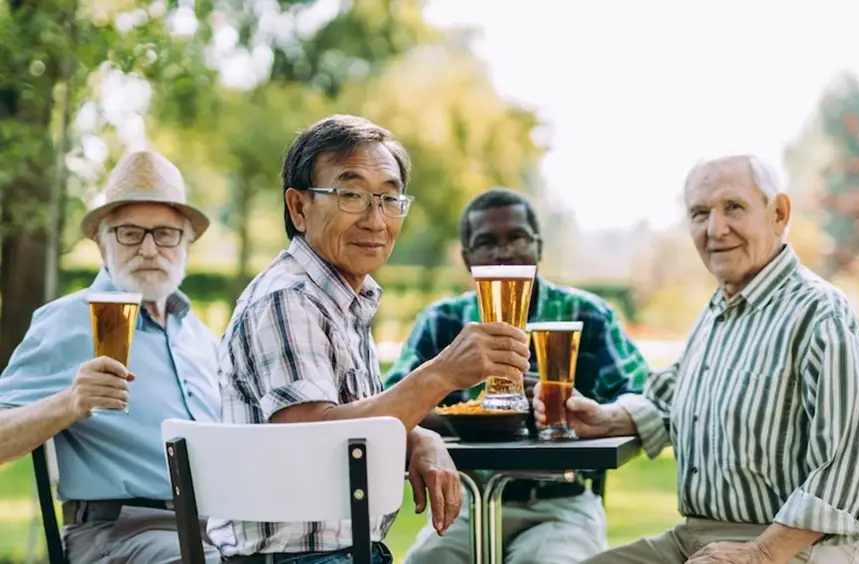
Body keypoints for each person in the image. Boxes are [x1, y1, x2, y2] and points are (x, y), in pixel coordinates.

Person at [533, 155, 859, 564]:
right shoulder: (719, 310)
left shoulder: (821, 314)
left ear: (779, 213)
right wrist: (608, 418)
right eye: (700, 214)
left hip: (799, 549)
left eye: (733, 207)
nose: (716, 229)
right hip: (699, 538)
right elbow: (670, 398)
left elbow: (852, 463)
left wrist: (761, 552)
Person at [211, 115, 531, 564]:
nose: (376, 219)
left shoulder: (342, 299)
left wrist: (417, 435)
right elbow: (309, 440)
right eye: (352, 195)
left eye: (388, 197)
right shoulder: (288, 299)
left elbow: (350, 419)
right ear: (299, 207)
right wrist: (440, 375)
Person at [385, 187, 650, 564]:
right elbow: (389, 409)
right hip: (466, 505)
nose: (503, 252)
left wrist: (576, 407)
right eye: (487, 242)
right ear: (467, 257)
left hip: (560, 504)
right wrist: (477, 415)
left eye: (517, 238)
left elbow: (641, 397)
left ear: (539, 246)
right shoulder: (442, 321)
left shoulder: (587, 315)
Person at [0, 150, 222, 564]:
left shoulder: (201, 337)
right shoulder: (68, 321)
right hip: (119, 533)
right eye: (130, 233)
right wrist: (71, 402)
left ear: (186, 245)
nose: (150, 248)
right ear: (103, 246)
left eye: (166, 234)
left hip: (218, 532)